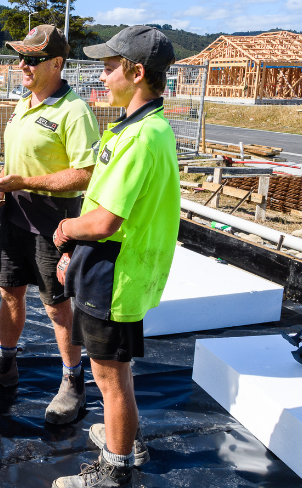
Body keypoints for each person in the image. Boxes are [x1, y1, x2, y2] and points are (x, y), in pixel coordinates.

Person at [51, 25, 180, 488]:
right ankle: (124, 436)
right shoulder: (138, 128)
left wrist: (66, 230)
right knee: (112, 374)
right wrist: (77, 256)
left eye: (108, 68)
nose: (101, 77)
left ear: (137, 72)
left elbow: (105, 221)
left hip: (115, 274)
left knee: (109, 375)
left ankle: (115, 469)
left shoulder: (141, 137)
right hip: (106, 267)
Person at [0, 25, 100, 427]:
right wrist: (5, 178)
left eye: (32, 59)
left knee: (56, 307)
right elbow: (21, 156)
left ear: (56, 64)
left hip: (52, 223)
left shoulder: (74, 111)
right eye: (20, 57)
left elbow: (85, 174)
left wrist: (23, 182)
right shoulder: (26, 102)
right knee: (9, 291)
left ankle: (73, 383)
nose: (22, 64)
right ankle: (5, 367)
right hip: (16, 217)